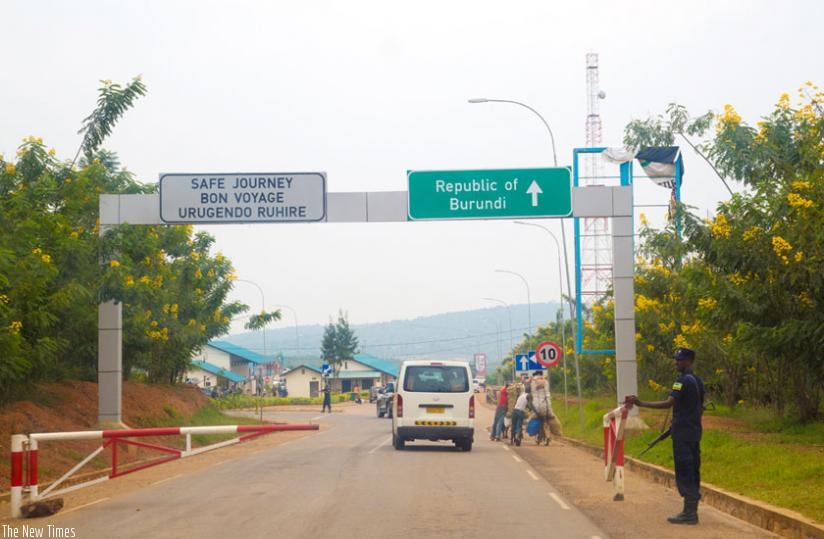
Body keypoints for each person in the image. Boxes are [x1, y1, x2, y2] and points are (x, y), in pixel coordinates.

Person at [625, 347, 705, 525]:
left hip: (683, 434)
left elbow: (669, 403)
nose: (677, 362)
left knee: (685, 471)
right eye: (676, 359)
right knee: (693, 469)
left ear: (689, 361)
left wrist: (641, 402)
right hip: (694, 432)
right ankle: (692, 511)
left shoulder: (682, 381)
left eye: (680, 360)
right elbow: (699, 406)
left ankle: (689, 513)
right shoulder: (698, 381)